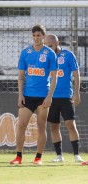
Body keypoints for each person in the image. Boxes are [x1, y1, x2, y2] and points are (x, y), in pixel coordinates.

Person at [10, 25, 58, 165]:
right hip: (28, 95)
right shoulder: (25, 52)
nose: (36, 38)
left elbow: (54, 77)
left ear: (44, 36)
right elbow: (20, 76)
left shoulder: (50, 54)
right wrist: (20, 95)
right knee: (21, 124)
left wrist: (50, 96)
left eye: (38, 35)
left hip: (43, 96)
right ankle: (18, 157)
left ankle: (38, 158)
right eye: (34, 35)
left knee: (41, 125)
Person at [44, 34, 84, 163]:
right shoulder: (45, 56)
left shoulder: (67, 55)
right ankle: (59, 156)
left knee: (70, 124)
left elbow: (77, 75)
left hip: (66, 96)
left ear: (57, 43)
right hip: (50, 97)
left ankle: (76, 155)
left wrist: (77, 93)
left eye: (50, 46)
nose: (48, 48)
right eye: (46, 46)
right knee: (53, 126)